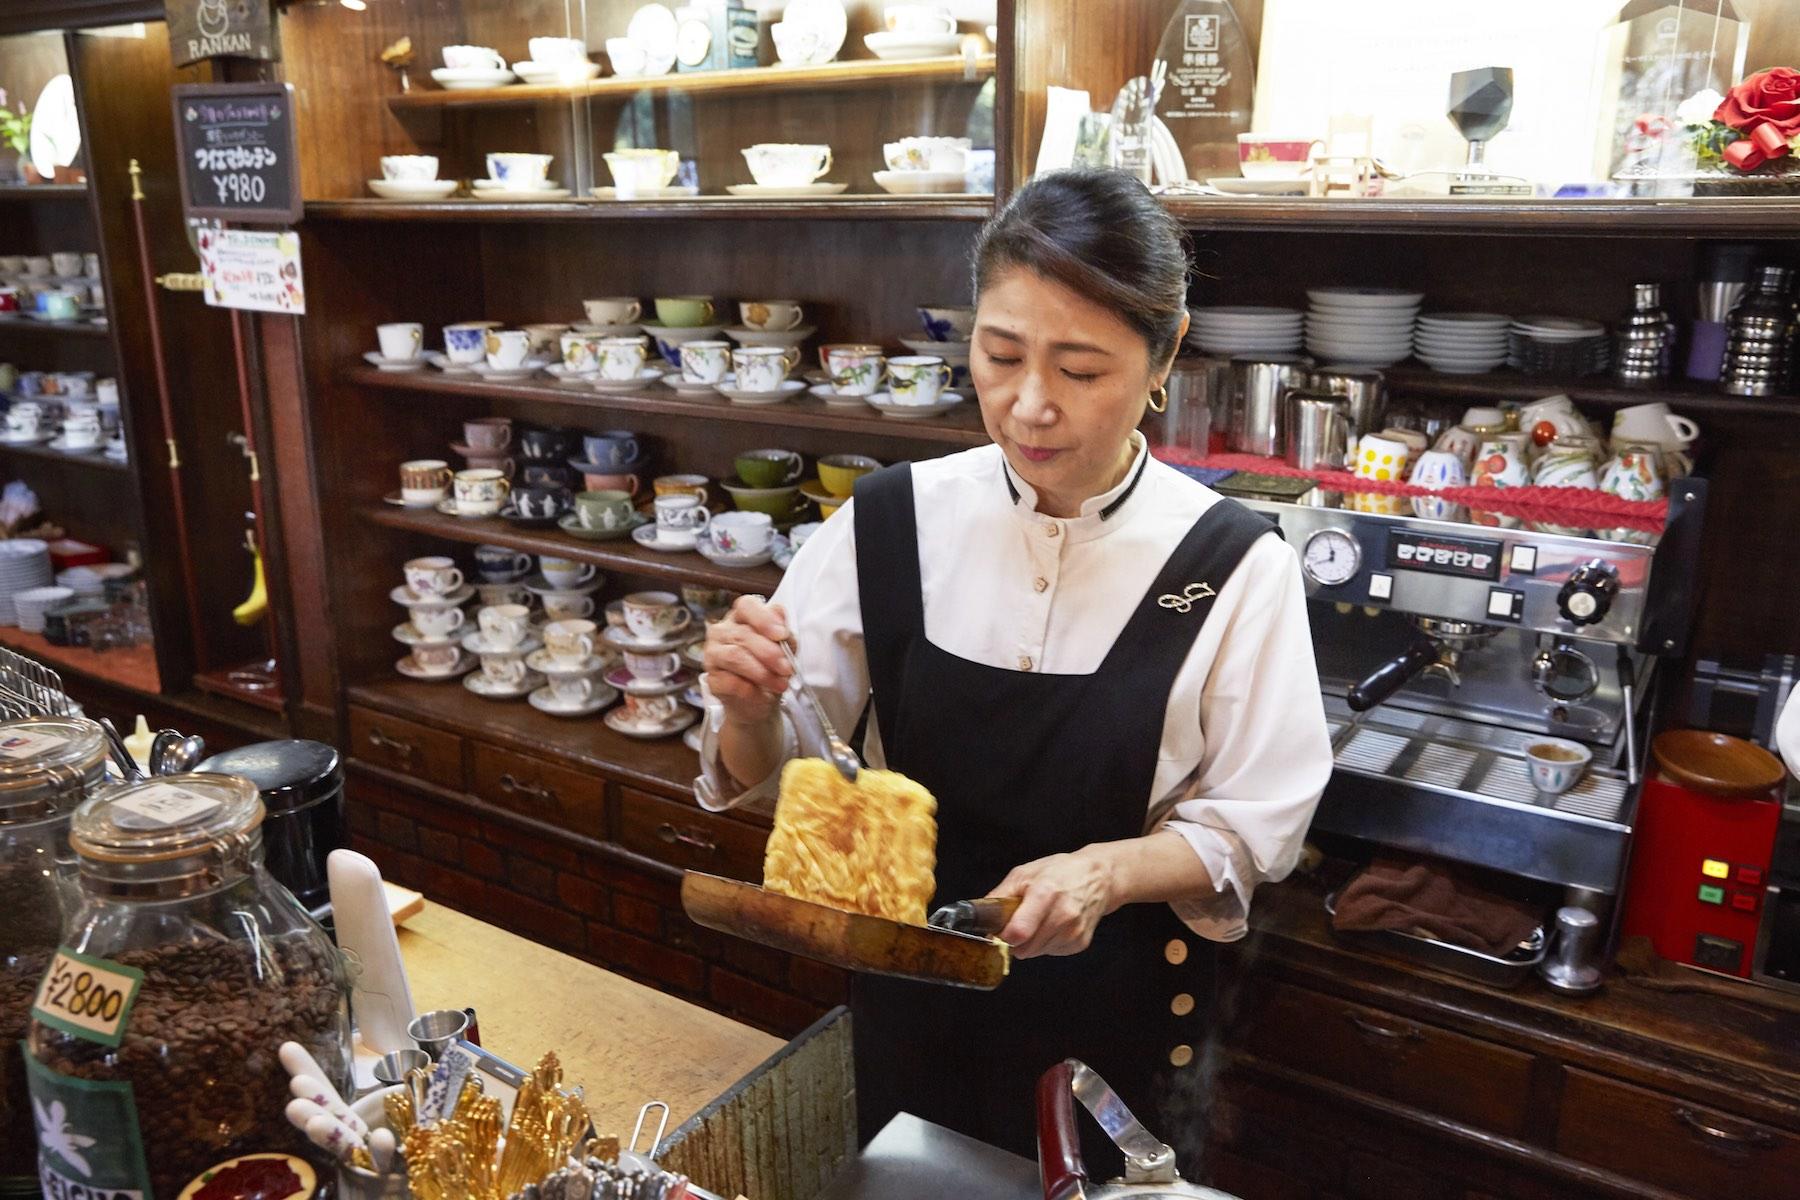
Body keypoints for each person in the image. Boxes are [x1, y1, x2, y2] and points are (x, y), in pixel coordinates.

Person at [694, 169, 1332, 1167]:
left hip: (1116, 1029)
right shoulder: (892, 521)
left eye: (1081, 370)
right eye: (1000, 357)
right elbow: (782, 761)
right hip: (911, 999)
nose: (1030, 406)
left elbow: (1254, 826)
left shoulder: (1229, 563)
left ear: (1164, 352)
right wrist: (743, 707)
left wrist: (1103, 873)